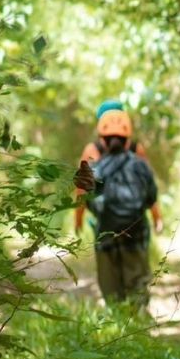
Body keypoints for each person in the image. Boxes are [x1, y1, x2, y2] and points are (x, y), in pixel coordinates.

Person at [74, 108, 159, 311]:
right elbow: (151, 197)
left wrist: (78, 221)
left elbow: (83, 198)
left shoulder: (95, 168)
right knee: (138, 286)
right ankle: (138, 325)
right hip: (136, 234)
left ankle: (118, 331)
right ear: (128, 141)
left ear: (102, 141)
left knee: (112, 294)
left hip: (105, 236)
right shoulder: (140, 165)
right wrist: (154, 218)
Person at [74, 100, 161, 239]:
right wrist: (157, 218)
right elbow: (148, 184)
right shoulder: (136, 149)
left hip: (105, 222)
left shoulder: (92, 150)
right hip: (135, 222)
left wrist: (78, 221)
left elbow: (81, 191)